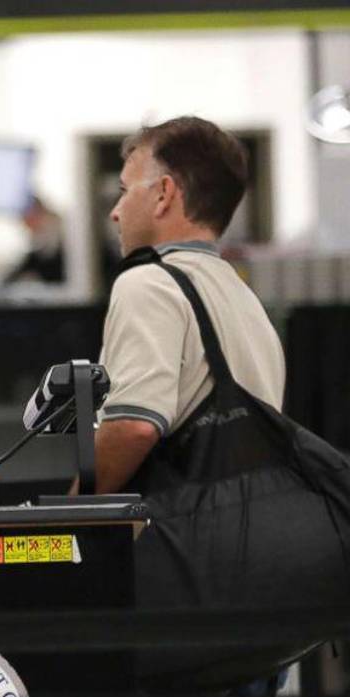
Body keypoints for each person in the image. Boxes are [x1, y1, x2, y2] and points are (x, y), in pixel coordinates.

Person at [91, 116, 284, 495]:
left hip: (178, 538)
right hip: (252, 530)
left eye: (125, 190)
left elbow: (134, 426)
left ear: (164, 193)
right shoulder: (243, 296)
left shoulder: (148, 282)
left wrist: (76, 509)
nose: (116, 211)